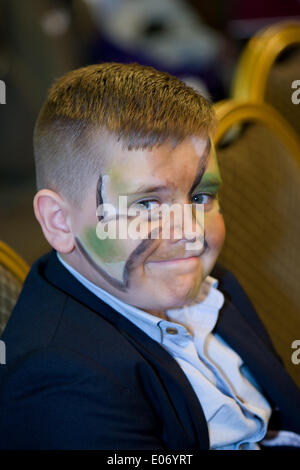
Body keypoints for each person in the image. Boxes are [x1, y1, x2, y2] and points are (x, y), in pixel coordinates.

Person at [0, 62, 299, 450]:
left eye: (201, 197)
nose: (190, 231)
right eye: (146, 204)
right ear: (59, 222)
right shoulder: (62, 379)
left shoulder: (208, 285)